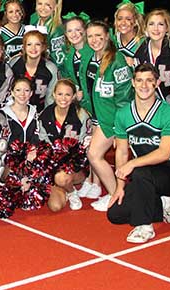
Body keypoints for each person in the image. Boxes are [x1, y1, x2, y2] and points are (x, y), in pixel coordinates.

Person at [107, 64, 170, 243]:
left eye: (149, 80)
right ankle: (160, 204)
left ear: (157, 83)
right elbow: (122, 153)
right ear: (133, 83)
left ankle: (144, 226)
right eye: (139, 80)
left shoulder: (169, 112)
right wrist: (119, 186)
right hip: (144, 176)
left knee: (140, 172)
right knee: (116, 214)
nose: (144, 85)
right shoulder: (123, 114)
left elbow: (164, 153)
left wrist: (132, 164)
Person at [133, 9, 170, 221]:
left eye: (161, 24)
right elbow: (140, 81)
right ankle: (165, 198)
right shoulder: (142, 49)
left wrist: (165, 111)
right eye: (152, 24)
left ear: (167, 28)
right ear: (146, 28)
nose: (156, 29)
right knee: (155, 151)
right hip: (152, 111)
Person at [79, 20, 133, 212]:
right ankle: (112, 192)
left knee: (94, 155)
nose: (94, 40)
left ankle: (114, 195)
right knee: (95, 154)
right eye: (90, 36)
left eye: (98, 36)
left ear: (107, 36)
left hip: (110, 118)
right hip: (95, 114)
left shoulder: (117, 61)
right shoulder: (89, 57)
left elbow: (125, 97)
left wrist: (121, 129)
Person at [61, 12, 102, 199]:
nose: (75, 33)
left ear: (85, 31)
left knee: (96, 146)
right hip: (85, 106)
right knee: (89, 143)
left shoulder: (92, 51)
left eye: (78, 29)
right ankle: (92, 181)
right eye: (70, 30)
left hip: (98, 105)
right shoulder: (70, 55)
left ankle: (98, 183)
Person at [39, 79, 91, 211]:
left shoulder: (81, 115)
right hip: (53, 166)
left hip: (75, 167)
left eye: (68, 95)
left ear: (73, 96)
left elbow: (85, 145)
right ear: (54, 95)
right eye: (60, 94)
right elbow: (42, 143)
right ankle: (63, 188)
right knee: (55, 206)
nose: (63, 98)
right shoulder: (44, 116)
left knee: (61, 178)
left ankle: (72, 192)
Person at [9, 30, 58, 111]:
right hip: (15, 111)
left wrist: (47, 116)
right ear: (24, 47)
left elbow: (51, 97)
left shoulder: (50, 68)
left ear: (43, 47)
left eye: (37, 44)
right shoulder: (14, 64)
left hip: (40, 112)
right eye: (29, 44)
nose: (33, 48)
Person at [1, 77, 39, 145]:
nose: (22, 94)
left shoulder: (36, 115)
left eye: (26, 90)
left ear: (31, 93)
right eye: (18, 90)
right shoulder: (2, 114)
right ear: (12, 92)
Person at [28, 0, 65, 68]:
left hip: (50, 69)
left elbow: (59, 61)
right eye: (40, 4)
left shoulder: (57, 30)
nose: (43, 8)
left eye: (47, 5)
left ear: (55, 7)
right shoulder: (33, 19)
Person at [113, 0, 145, 65]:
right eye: (119, 19)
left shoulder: (144, 42)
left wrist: (135, 62)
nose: (123, 23)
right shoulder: (112, 39)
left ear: (136, 21)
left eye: (128, 19)